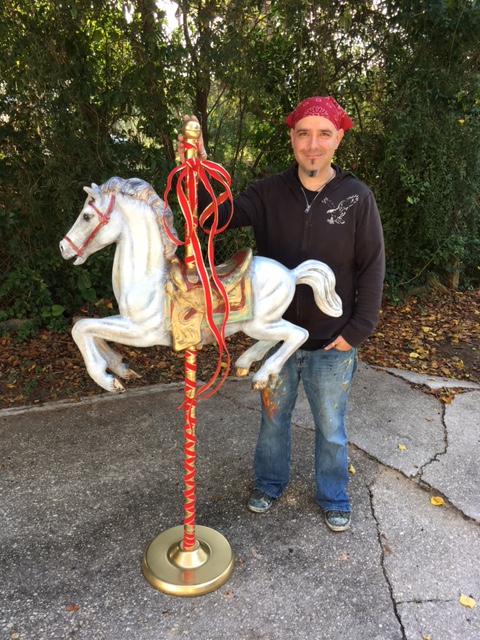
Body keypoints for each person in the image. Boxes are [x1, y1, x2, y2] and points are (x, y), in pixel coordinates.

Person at [177, 97, 385, 532]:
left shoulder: (356, 198)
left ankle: (333, 495)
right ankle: (269, 483)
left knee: (331, 427)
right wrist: (195, 172)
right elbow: (213, 218)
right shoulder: (268, 192)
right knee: (273, 420)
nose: (313, 144)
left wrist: (357, 331)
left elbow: (372, 266)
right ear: (292, 138)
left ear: (338, 138)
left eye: (323, 134)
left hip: (332, 342)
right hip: (274, 338)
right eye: (304, 134)